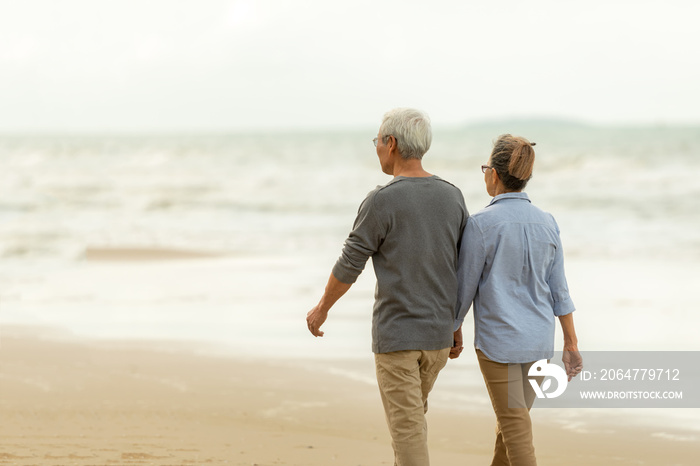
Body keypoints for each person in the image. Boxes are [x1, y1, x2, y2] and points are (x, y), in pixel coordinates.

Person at [306, 108, 468, 466]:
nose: (377, 147)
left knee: (408, 434)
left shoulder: (381, 200)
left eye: (378, 141)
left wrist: (321, 309)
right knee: (410, 427)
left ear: (391, 143)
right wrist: (456, 323)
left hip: (398, 340)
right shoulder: (452, 196)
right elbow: (460, 266)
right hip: (438, 339)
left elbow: (351, 262)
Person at [451, 134, 583, 466]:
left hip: (500, 345)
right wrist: (570, 341)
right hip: (539, 343)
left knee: (513, 424)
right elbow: (559, 290)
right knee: (509, 424)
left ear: (493, 173)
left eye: (485, 168)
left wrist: (453, 327)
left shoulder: (481, 224)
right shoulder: (548, 223)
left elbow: (464, 288)